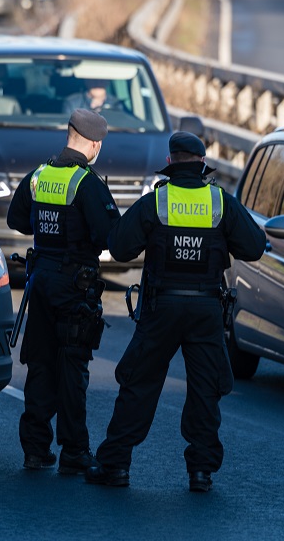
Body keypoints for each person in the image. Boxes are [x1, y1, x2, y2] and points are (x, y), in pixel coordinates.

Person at [87, 131, 266, 492]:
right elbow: (255, 246)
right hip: (205, 310)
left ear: (170, 163)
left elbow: (119, 248)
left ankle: (116, 465)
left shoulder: (157, 201)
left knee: (138, 383)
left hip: (161, 308)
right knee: (204, 390)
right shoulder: (220, 202)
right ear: (202, 165)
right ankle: (201, 472)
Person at [6, 108, 119, 474]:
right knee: (72, 369)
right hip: (75, 285)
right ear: (94, 144)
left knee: (40, 364)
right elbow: (110, 237)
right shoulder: (87, 183)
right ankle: (74, 450)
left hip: (40, 282)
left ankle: (35, 450)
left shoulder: (40, 174)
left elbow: (16, 220)